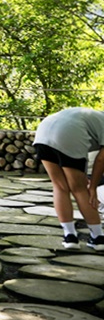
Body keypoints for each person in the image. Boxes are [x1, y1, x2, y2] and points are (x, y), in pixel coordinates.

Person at [33, 107, 104, 249]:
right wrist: (93, 187)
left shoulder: (93, 116)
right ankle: (98, 238)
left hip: (43, 133)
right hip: (70, 134)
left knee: (59, 186)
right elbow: (101, 160)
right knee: (80, 189)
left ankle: (70, 236)